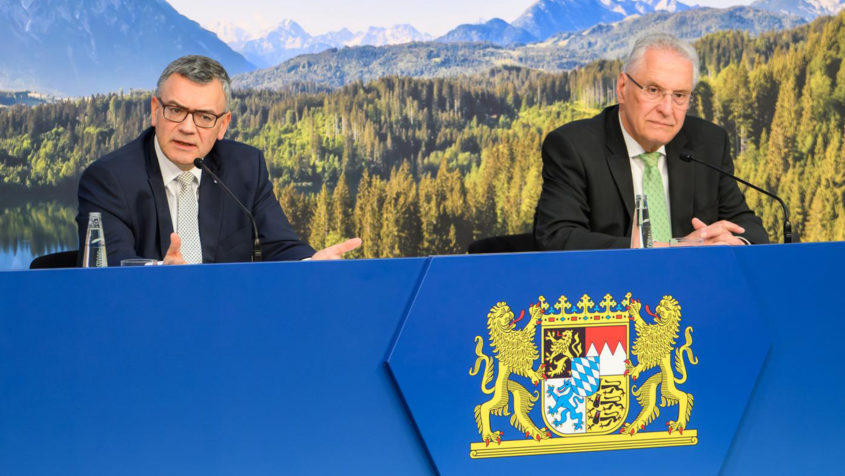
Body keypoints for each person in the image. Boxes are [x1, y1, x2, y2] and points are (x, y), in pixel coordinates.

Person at [77, 55, 360, 265]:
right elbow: (108, 271)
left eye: (204, 117)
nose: (188, 127)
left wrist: (311, 265)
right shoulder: (109, 180)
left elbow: (279, 246)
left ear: (223, 125)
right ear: (155, 111)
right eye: (175, 110)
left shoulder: (246, 168)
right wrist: (160, 273)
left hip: (230, 323)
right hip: (147, 325)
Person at [533, 34, 768, 250]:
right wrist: (658, 248)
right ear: (623, 88)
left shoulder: (708, 143)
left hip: (694, 287)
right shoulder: (573, 147)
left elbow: (749, 227)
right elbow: (557, 236)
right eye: (653, 90)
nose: (667, 109)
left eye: (679, 95)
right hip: (611, 289)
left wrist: (733, 241)